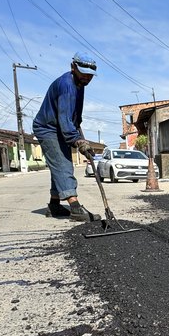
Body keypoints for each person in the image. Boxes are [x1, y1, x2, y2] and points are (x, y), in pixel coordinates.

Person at [32, 52, 101, 222]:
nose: (86, 77)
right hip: (47, 128)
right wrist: (77, 140)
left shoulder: (80, 84)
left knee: (58, 166)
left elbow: (73, 115)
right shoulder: (66, 85)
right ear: (73, 67)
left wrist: (79, 131)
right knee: (63, 165)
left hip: (60, 127)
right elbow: (64, 118)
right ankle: (75, 207)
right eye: (83, 72)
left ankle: (54, 205)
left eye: (90, 75)